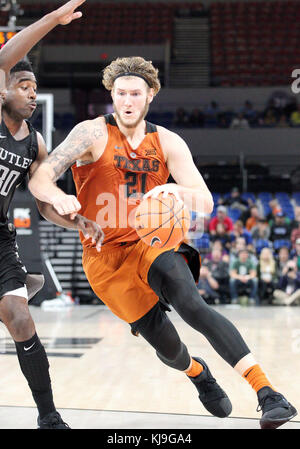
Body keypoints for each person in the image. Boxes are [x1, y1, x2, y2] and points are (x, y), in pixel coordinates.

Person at [28, 56, 296, 428]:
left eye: (135, 93)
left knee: (192, 304)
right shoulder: (91, 133)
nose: (127, 101)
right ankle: (196, 372)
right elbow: (40, 177)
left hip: (152, 241)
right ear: (112, 94)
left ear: (150, 94)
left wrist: (175, 189)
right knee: (168, 347)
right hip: (104, 258)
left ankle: (269, 394)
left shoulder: (167, 141)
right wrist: (58, 196)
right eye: (120, 93)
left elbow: (206, 201)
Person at [0, 0, 103, 429]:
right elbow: (3, 58)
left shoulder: (35, 144)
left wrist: (77, 220)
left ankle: (48, 415)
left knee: (20, 318)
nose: (29, 92)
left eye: (34, 87)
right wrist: (50, 21)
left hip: (0, 236)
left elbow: (45, 203)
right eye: (23, 84)